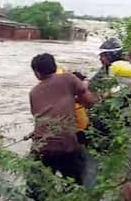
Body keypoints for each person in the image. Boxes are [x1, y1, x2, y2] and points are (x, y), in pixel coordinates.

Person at [29, 53, 95, 185]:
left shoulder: (33, 92)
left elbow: (40, 116)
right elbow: (89, 101)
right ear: (54, 67)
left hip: (41, 146)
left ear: (37, 73)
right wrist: (74, 101)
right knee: (76, 183)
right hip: (66, 144)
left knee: (37, 187)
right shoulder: (68, 78)